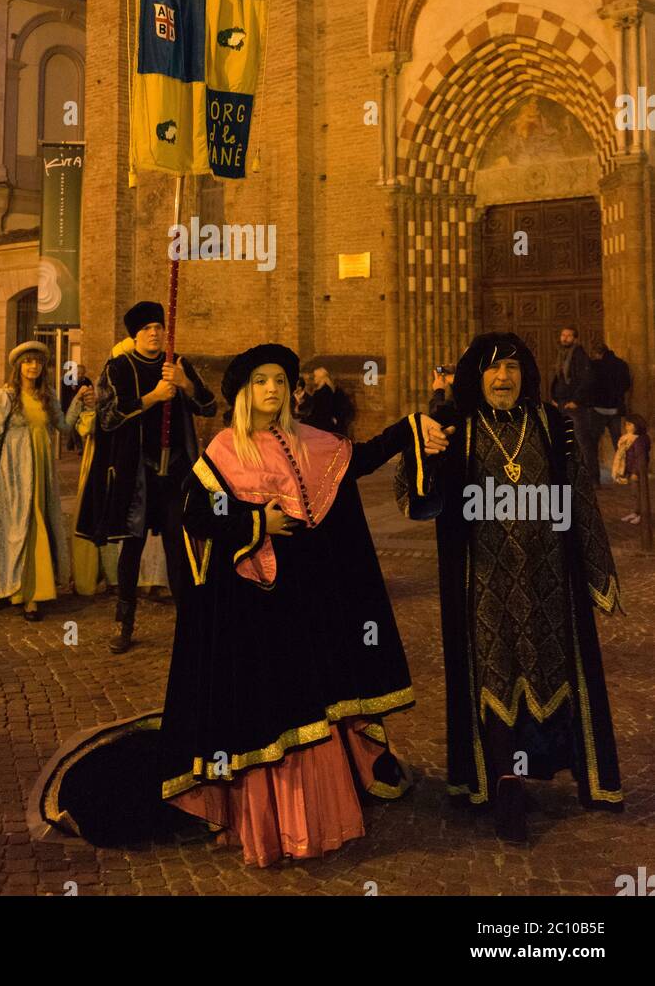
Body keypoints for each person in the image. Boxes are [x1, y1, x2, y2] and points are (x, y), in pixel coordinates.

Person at [158, 343, 449, 867]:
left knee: (310, 702)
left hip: (308, 602)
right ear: (244, 392)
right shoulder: (225, 449)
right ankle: (274, 826)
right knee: (271, 710)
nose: (272, 389)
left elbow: (359, 459)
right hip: (255, 606)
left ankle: (317, 819)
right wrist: (255, 524)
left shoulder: (312, 441)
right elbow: (195, 516)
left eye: (279, 380)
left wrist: (410, 428)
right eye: (260, 381)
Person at [396, 332, 623, 843]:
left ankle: (551, 770)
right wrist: (423, 452)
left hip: (550, 583)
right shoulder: (458, 428)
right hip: (484, 585)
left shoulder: (552, 425)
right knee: (494, 678)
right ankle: (506, 787)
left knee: (552, 674)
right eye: (494, 369)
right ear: (477, 376)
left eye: (514, 369)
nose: (504, 378)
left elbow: (580, 497)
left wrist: (598, 572)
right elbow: (416, 500)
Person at [76, 300, 216, 654]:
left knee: (177, 548)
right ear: (135, 335)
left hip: (176, 475)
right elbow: (107, 417)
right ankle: (124, 623)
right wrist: (151, 398)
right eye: (146, 329)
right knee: (132, 548)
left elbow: (210, 407)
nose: (154, 334)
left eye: (159, 328)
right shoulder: (119, 368)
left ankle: (190, 624)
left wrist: (185, 385)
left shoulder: (177, 364)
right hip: (136, 475)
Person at [0, 341, 83, 621]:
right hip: (15, 471)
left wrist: (80, 402)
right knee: (21, 528)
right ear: (18, 366)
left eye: (37, 362)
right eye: (27, 362)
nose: (33, 367)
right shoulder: (6, 395)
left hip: (43, 471)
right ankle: (22, 593)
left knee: (41, 524)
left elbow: (65, 427)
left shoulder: (48, 395)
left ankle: (39, 590)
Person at [549, 325, 598, 482]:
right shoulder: (562, 355)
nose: (565, 338)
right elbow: (559, 378)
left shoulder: (579, 355)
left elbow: (587, 379)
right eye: (563, 335)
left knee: (583, 441)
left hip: (575, 406)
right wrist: (554, 398)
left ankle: (592, 478)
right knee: (562, 441)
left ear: (575, 338)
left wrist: (576, 401)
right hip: (561, 404)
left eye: (569, 336)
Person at [590, 343, 632, 468]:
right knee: (618, 441)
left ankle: (594, 477)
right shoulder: (621, 364)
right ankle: (624, 470)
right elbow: (626, 384)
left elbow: (590, 386)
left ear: (597, 353)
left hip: (598, 408)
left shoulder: (594, 366)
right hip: (615, 408)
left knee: (593, 443)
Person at [612, 413, 650, 524]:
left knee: (640, 494)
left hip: (637, 472)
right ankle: (635, 512)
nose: (627, 427)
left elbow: (640, 458)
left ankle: (642, 515)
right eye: (626, 425)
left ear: (637, 425)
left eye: (629, 424)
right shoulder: (629, 439)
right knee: (634, 494)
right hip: (631, 471)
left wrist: (635, 472)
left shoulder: (640, 440)